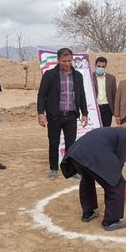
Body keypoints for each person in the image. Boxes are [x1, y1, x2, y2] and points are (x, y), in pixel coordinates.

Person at [60, 123, 126, 231]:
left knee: (87, 179)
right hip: (94, 155)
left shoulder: (109, 131)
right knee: (116, 184)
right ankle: (111, 221)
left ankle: (88, 212)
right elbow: (119, 162)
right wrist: (120, 183)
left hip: (76, 154)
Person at [37, 47, 89, 179]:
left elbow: (81, 95)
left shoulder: (78, 76)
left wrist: (84, 113)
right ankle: (53, 169)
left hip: (71, 115)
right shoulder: (49, 75)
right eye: (64, 61)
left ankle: (70, 169)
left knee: (71, 144)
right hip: (55, 115)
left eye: (69, 61)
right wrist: (41, 113)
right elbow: (41, 95)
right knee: (53, 143)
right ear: (58, 60)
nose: (67, 63)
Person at [92, 56, 117, 127]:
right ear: (95, 65)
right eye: (99, 66)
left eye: (103, 67)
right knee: (95, 129)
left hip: (107, 108)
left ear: (105, 66)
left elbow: (114, 94)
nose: (101, 68)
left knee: (106, 129)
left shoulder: (111, 78)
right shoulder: (90, 77)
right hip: (94, 107)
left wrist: (115, 111)